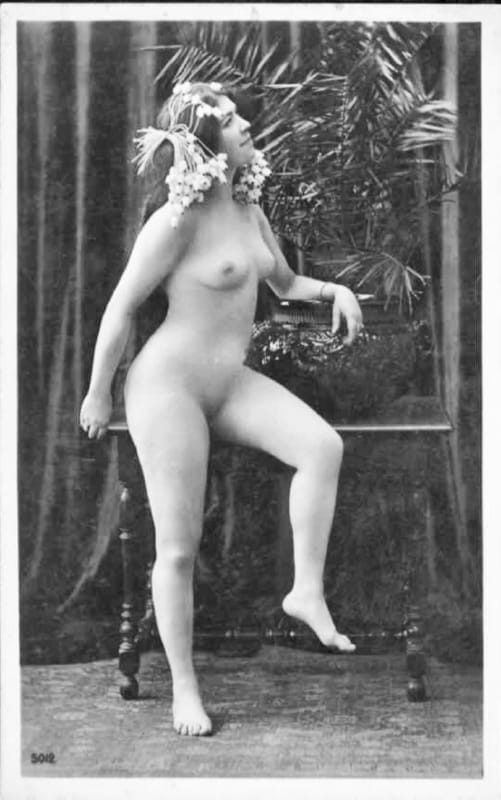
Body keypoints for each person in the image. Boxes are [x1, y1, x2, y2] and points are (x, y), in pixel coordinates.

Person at [80, 81, 363, 737]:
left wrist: (335, 290)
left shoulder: (246, 206)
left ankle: (306, 592)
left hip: (229, 382)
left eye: (238, 115)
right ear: (204, 144)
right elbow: (120, 308)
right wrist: (97, 392)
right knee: (178, 549)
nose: (243, 124)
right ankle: (184, 689)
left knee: (323, 448)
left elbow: (283, 283)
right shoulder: (174, 222)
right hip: (168, 388)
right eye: (229, 120)